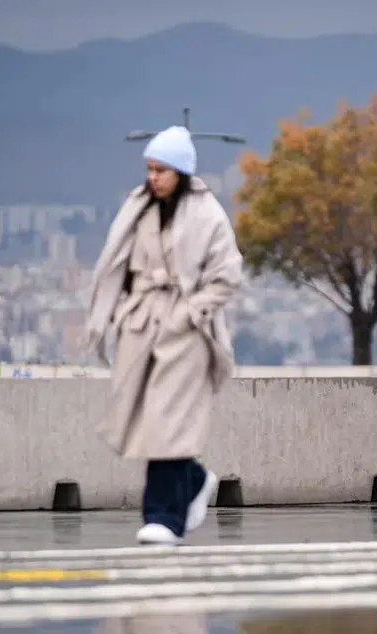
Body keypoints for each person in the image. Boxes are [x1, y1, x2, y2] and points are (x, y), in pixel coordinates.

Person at [85, 126, 244, 544]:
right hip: (141, 326)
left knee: (167, 424)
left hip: (186, 332)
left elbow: (228, 274)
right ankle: (193, 479)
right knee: (145, 420)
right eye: (150, 169)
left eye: (162, 170)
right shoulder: (137, 208)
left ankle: (163, 518)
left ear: (181, 172)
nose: (153, 177)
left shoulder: (208, 213)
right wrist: (119, 312)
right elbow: (114, 264)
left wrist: (191, 312)